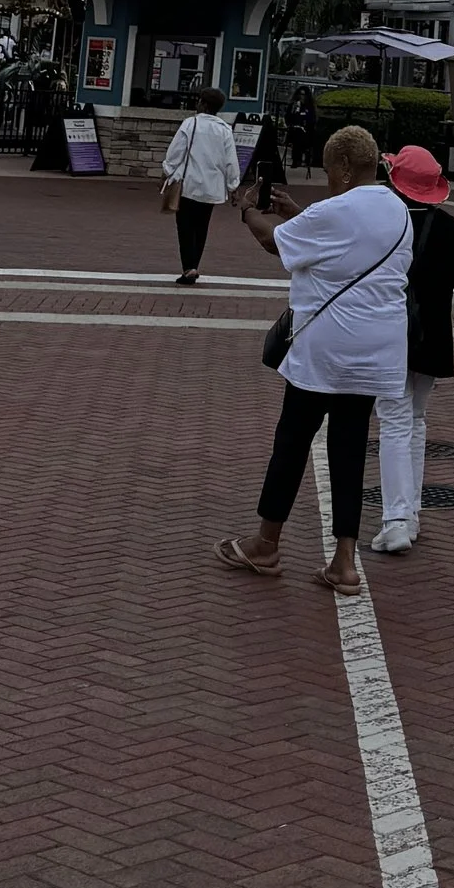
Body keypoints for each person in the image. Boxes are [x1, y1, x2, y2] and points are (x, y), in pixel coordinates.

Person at [219, 124, 413, 594]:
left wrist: (248, 210)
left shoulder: (334, 208)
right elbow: (346, 240)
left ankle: (265, 545)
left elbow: (273, 242)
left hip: (327, 349)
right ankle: (344, 563)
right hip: (377, 351)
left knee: (292, 441)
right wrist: (299, 213)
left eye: (329, 171)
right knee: (349, 450)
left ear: (345, 168)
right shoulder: (398, 208)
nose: (327, 179)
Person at [371, 145, 454, 555]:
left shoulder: (382, 221)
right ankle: (411, 513)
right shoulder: (452, 228)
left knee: (394, 423)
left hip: (390, 336)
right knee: (416, 421)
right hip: (434, 337)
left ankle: (397, 518)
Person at [160, 86, 242, 284]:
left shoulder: (190, 124)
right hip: (212, 187)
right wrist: (233, 186)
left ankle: (188, 267)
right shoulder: (224, 129)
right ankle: (194, 264)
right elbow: (231, 160)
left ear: (203, 104)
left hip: (189, 184)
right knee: (201, 226)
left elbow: (175, 153)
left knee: (185, 227)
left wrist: (169, 171)